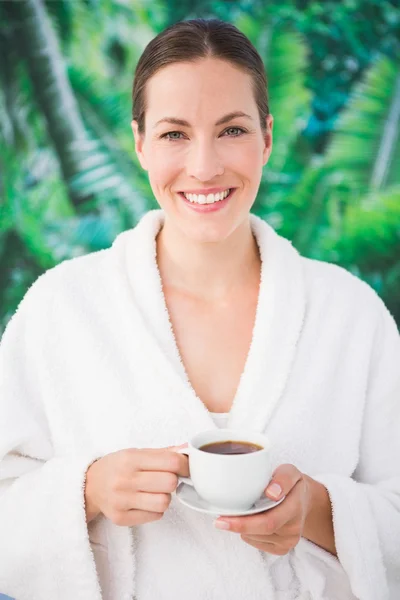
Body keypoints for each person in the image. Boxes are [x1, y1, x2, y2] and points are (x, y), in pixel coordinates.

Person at [0, 17, 399, 600]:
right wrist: (85, 491)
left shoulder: (351, 316)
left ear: (267, 136)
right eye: (174, 134)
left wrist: (317, 510)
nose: (205, 166)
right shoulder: (60, 311)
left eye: (231, 130)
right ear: (139, 143)